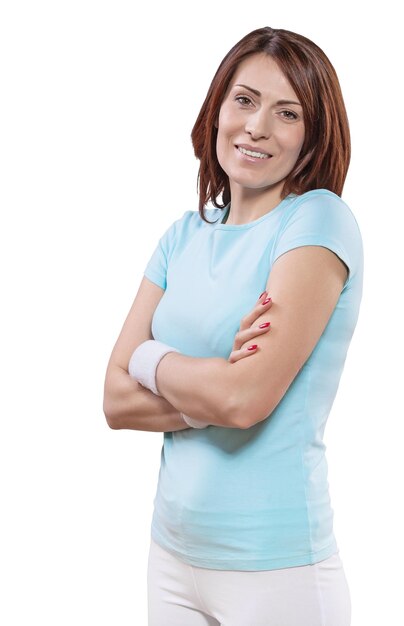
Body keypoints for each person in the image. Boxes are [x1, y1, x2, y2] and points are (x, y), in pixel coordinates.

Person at [103, 25, 363, 626]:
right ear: (218, 107)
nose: (257, 127)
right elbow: (116, 398)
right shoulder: (183, 234)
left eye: (287, 112)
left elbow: (244, 400)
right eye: (244, 100)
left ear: (313, 135)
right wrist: (210, 387)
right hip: (170, 557)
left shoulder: (318, 221)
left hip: (276, 572)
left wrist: (154, 362)